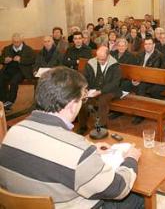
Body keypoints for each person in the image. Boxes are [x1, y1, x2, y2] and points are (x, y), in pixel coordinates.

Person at [0, 67, 143, 208]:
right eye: (83, 99)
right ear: (72, 105)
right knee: (138, 198)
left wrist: (89, 149)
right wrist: (131, 159)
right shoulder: (78, 151)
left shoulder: (13, 132)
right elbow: (118, 189)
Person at [78, 46, 122, 133]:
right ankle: (82, 126)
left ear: (108, 56)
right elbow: (84, 77)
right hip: (93, 89)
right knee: (82, 100)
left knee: (103, 100)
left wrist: (100, 91)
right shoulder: (91, 63)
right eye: (98, 59)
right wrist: (85, 89)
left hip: (110, 90)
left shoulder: (115, 65)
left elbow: (115, 83)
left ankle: (102, 126)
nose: (100, 61)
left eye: (103, 59)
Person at [0, 33, 36, 110]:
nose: (15, 43)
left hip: (22, 71)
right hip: (8, 69)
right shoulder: (7, 48)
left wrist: (21, 59)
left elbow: (33, 60)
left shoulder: (28, 49)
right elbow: (1, 59)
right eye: (14, 42)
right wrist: (4, 60)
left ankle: (10, 101)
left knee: (14, 81)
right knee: (1, 78)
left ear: (22, 41)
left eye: (17, 42)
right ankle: (3, 99)